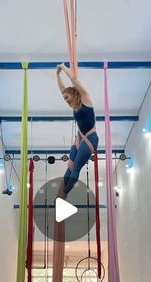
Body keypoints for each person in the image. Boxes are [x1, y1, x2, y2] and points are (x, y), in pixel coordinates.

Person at [56, 63, 99, 198]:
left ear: (73, 94)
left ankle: (63, 195)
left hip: (90, 138)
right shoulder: (73, 106)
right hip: (79, 138)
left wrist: (63, 68)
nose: (66, 101)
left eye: (67, 97)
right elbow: (63, 89)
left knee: (76, 168)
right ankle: (61, 193)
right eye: (64, 99)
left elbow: (74, 80)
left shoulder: (86, 99)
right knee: (69, 167)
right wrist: (57, 75)